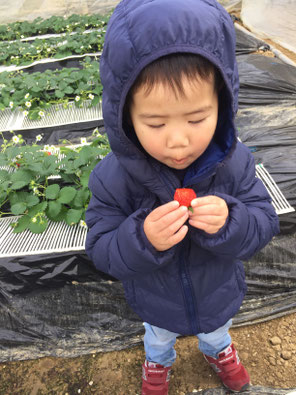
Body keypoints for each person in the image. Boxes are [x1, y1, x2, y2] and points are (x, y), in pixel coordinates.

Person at [85, 0, 280, 393]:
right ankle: (158, 363)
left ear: (222, 106)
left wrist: (232, 221)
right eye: (155, 123)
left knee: (216, 330)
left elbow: (264, 221)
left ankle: (219, 350)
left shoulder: (235, 162)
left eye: (196, 119)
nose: (178, 140)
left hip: (217, 292)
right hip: (157, 299)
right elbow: (102, 249)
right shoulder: (112, 178)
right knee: (158, 337)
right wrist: (142, 239)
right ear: (124, 116)